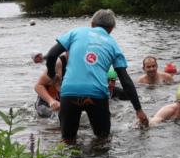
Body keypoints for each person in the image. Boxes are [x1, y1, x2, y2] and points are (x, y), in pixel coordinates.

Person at [44, 9, 148, 143]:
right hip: (97, 94)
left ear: (92, 23)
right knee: (103, 139)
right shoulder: (113, 44)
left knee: (68, 141)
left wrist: (52, 75)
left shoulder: (76, 32)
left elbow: (52, 55)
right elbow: (125, 80)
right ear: (111, 29)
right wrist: (138, 110)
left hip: (70, 91)